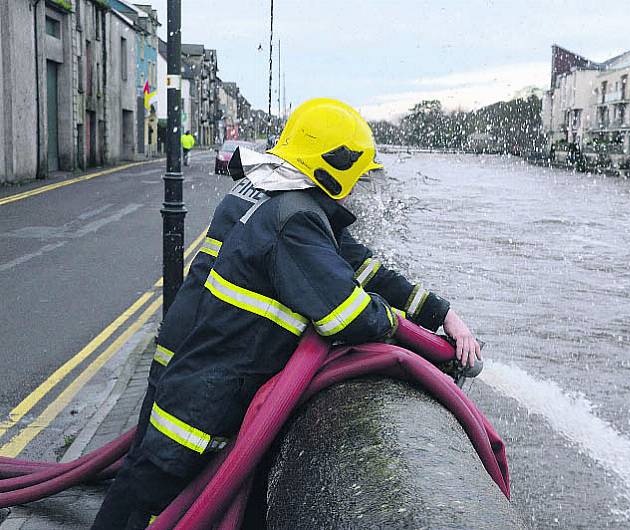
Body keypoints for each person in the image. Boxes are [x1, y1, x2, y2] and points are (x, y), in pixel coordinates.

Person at [91, 98, 481, 529]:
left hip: (200, 376)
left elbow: (362, 267)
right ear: (336, 165)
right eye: (358, 174)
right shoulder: (296, 219)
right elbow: (345, 316)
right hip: (204, 399)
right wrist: (396, 325)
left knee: (143, 487)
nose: (361, 185)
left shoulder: (285, 199)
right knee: (143, 499)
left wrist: (442, 314)